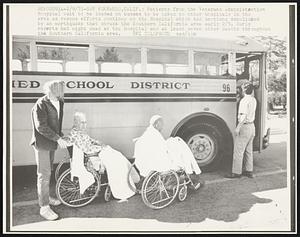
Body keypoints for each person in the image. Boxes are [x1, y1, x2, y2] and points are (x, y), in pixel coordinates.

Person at [64, 112, 137, 202]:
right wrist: (101, 148)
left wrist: (98, 142)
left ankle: (127, 183)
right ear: (75, 122)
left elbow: (89, 141)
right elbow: (86, 149)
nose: (84, 125)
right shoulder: (77, 135)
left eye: (85, 122)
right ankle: (122, 190)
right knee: (118, 161)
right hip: (93, 156)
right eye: (82, 122)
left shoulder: (78, 132)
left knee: (119, 156)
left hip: (95, 152)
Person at [30, 80, 68, 221]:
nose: (63, 92)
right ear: (54, 90)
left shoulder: (60, 102)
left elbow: (56, 123)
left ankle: (46, 198)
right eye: (61, 89)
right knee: (43, 176)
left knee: (48, 173)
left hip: (51, 143)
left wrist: (61, 135)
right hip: (42, 144)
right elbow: (41, 126)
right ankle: (44, 207)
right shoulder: (41, 104)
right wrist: (58, 138)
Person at [133, 115, 203, 189]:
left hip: (144, 163)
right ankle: (188, 177)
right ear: (156, 124)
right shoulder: (155, 134)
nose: (162, 128)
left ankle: (188, 175)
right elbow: (163, 150)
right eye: (161, 125)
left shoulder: (148, 133)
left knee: (175, 143)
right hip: (156, 163)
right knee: (179, 149)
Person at [226, 82, 257, 179]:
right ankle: (249, 171)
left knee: (238, 151)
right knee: (249, 151)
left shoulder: (244, 101)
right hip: (252, 127)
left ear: (243, 90)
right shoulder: (253, 100)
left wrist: (238, 127)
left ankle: (236, 172)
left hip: (245, 127)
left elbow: (243, 116)